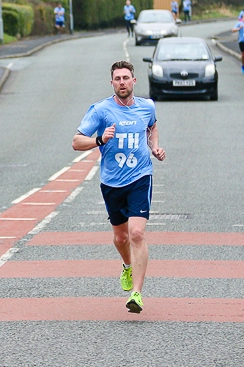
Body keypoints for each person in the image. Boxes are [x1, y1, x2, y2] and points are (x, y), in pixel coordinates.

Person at [72, 60, 166, 313]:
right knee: (121, 237)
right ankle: (127, 264)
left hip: (140, 176)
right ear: (112, 82)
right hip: (112, 181)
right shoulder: (101, 110)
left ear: (134, 81)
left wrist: (154, 147)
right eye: (118, 79)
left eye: (126, 78)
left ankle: (137, 293)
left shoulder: (147, 106)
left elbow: (152, 125)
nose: (122, 82)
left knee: (136, 234)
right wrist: (100, 139)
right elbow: (76, 142)